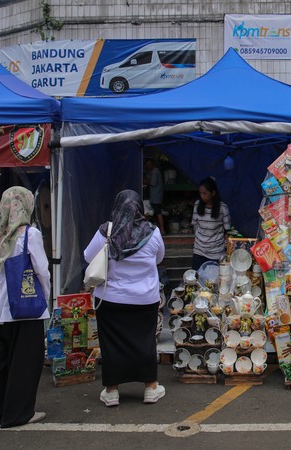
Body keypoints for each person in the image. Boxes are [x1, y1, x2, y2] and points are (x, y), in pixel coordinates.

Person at [84, 189, 166, 407]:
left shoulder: (106, 231)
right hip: (145, 299)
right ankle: (150, 388)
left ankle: (111, 392)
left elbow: (87, 256)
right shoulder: (153, 232)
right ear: (139, 207)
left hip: (111, 299)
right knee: (145, 342)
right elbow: (159, 258)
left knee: (111, 345)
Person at [0, 186, 50, 428]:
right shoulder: (29, 234)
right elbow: (41, 270)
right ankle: (19, 413)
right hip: (24, 307)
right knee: (24, 362)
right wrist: (45, 298)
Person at [191, 177, 231, 270]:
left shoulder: (223, 208)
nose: (202, 196)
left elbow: (227, 229)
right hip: (198, 251)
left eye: (205, 193)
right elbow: (195, 224)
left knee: (213, 281)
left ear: (213, 193)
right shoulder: (197, 205)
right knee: (196, 280)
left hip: (215, 253)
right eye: (200, 193)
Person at [144, 158, 165, 235]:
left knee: (158, 212)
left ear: (152, 164)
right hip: (154, 196)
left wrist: (144, 181)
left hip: (156, 196)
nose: (148, 166)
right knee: (155, 212)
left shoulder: (155, 171)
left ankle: (162, 230)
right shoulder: (153, 172)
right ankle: (160, 229)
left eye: (149, 165)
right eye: (146, 165)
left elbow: (153, 183)